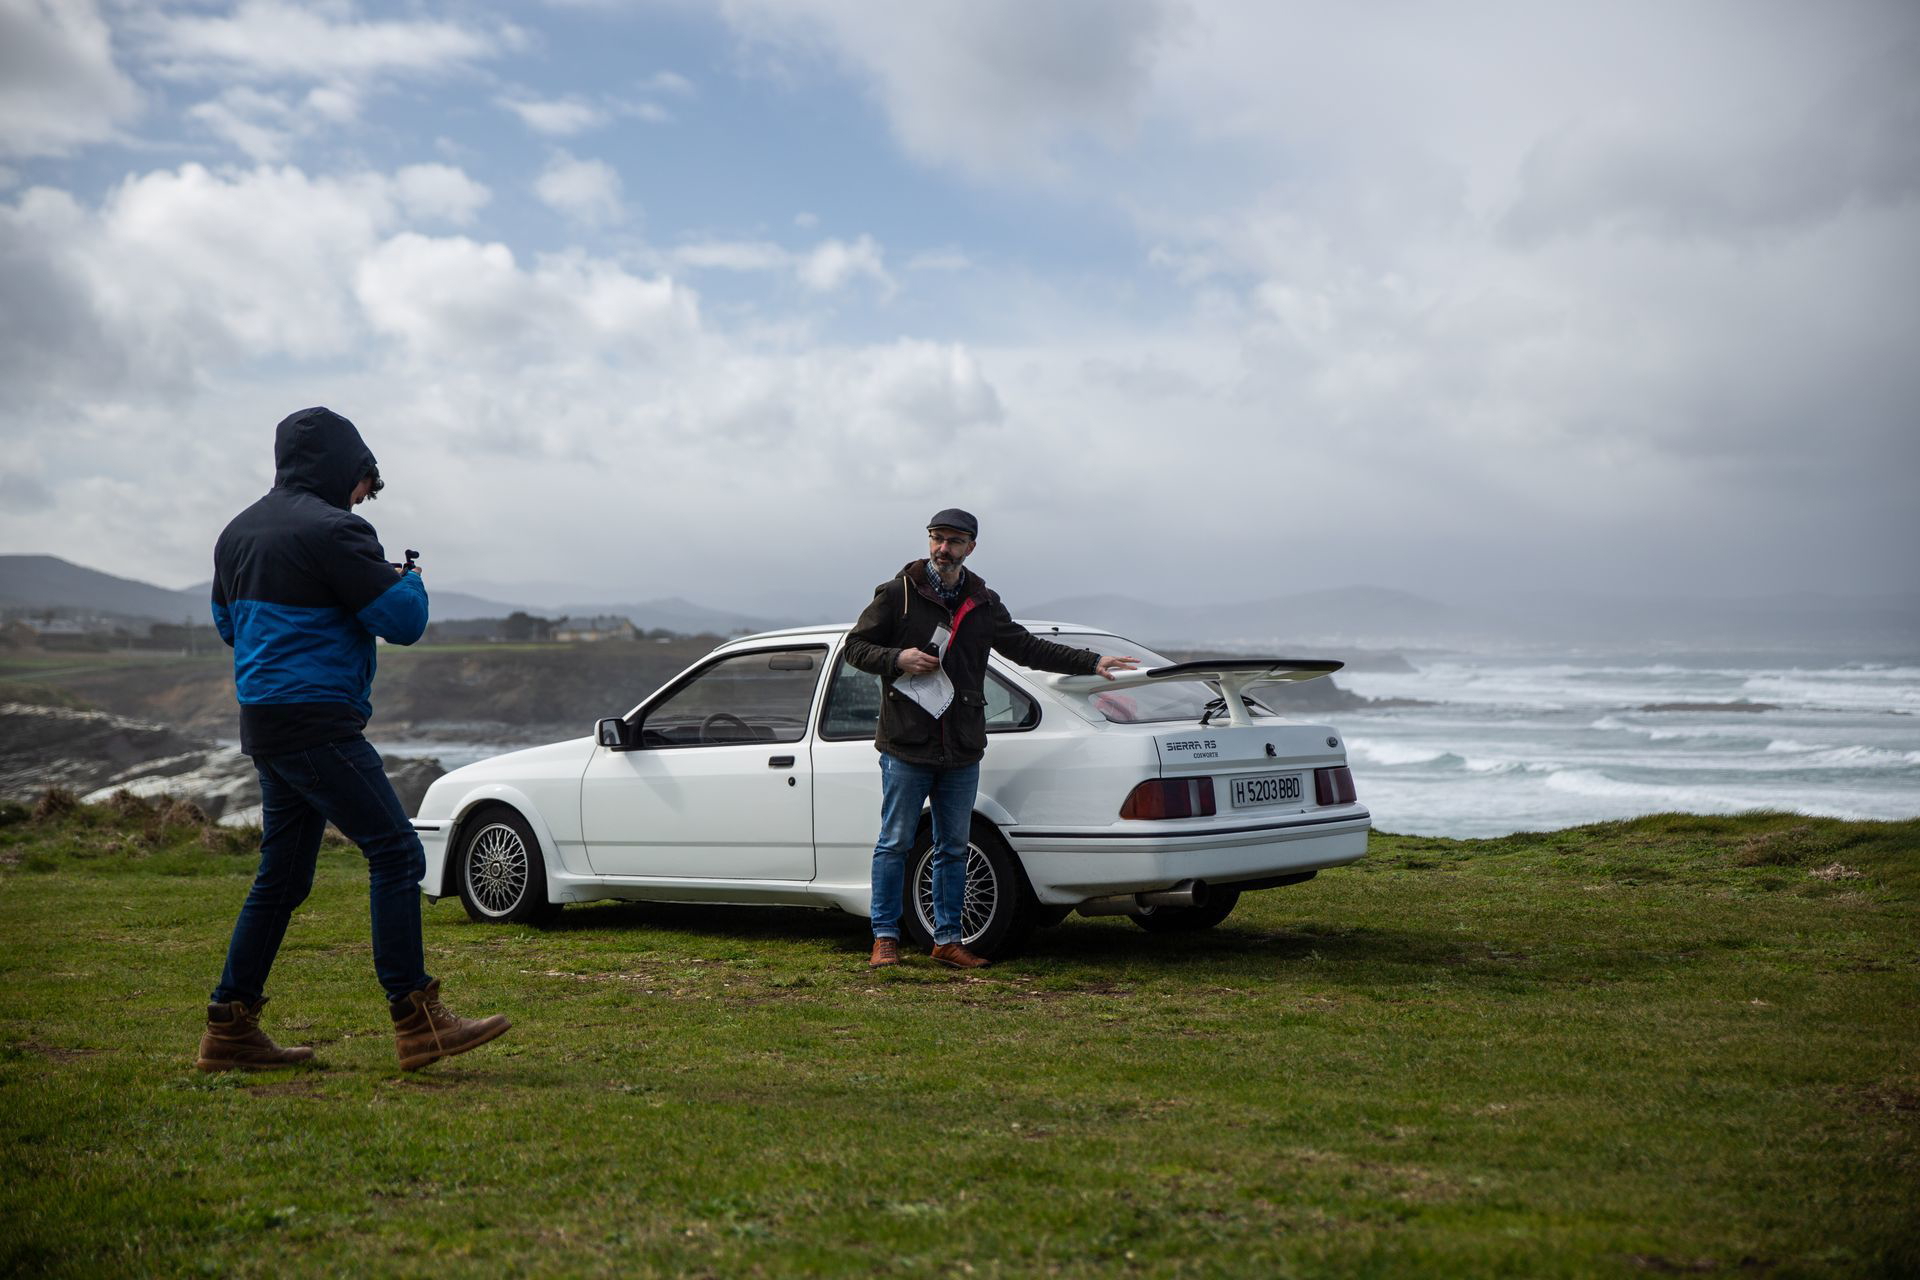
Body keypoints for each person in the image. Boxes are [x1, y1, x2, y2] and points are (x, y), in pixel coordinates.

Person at [197, 407, 509, 1072]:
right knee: (396, 852)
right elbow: (402, 623)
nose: (366, 495)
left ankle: (230, 1028)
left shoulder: (236, 534)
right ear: (345, 468)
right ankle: (417, 1019)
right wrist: (411, 580)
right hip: (318, 723)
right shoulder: (337, 530)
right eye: (367, 481)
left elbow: (229, 625)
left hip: (265, 723)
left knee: (281, 878)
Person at [844, 508, 1138, 969]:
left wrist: (1091, 662)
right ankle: (885, 937)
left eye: (954, 541)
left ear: (971, 547)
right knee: (895, 841)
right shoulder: (897, 593)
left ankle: (947, 939)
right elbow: (855, 648)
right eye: (937, 538)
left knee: (954, 847)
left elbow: (1025, 647)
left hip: (962, 744)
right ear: (929, 541)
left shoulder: (981, 599)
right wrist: (897, 657)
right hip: (906, 743)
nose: (943, 548)